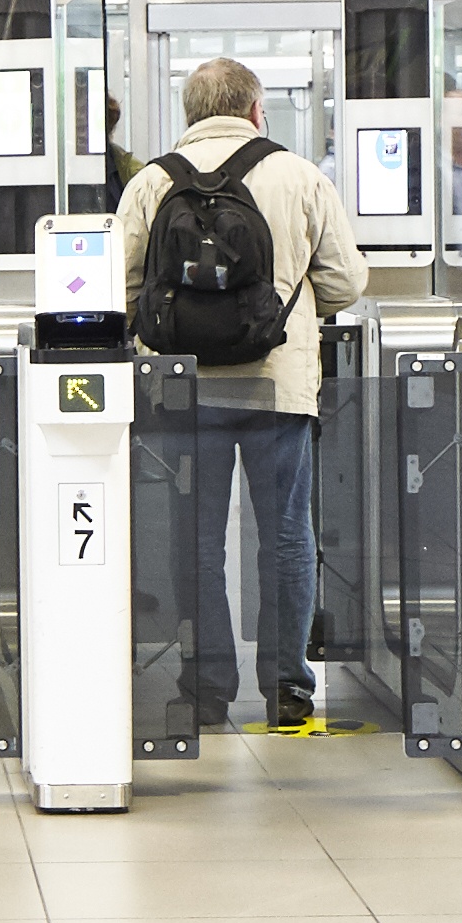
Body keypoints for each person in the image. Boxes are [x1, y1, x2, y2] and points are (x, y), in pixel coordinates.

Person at [114, 57, 364, 730]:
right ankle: (287, 686)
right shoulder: (299, 175)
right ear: (256, 110)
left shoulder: (151, 182)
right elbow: (346, 282)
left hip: (180, 388)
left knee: (195, 542)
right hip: (276, 386)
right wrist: (291, 305)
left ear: (191, 115)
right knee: (285, 536)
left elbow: (123, 290)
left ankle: (205, 687)